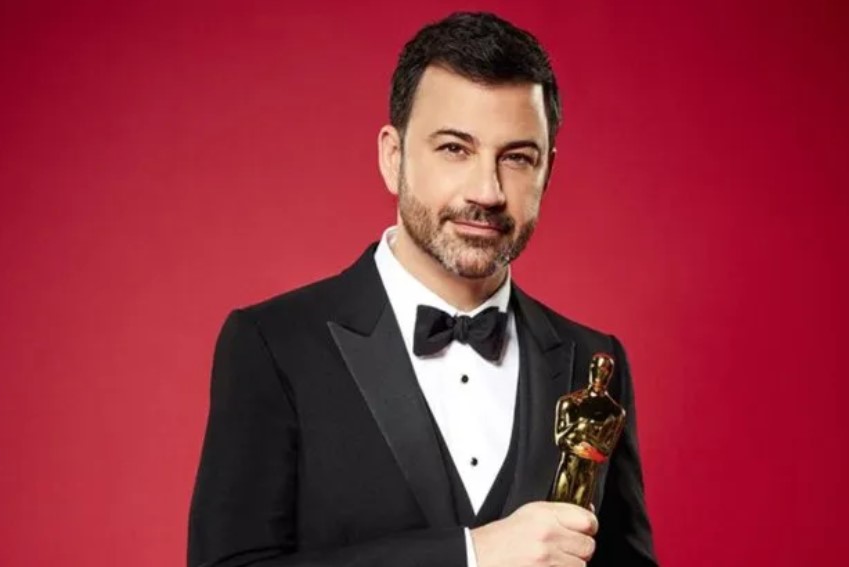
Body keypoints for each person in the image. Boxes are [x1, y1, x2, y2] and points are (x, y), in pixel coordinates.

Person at [188, 11, 657, 567]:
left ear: (547, 172)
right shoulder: (273, 344)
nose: (487, 191)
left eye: (516, 158)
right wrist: (469, 556)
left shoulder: (596, 361)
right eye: (455, 148)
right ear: (394, 158)